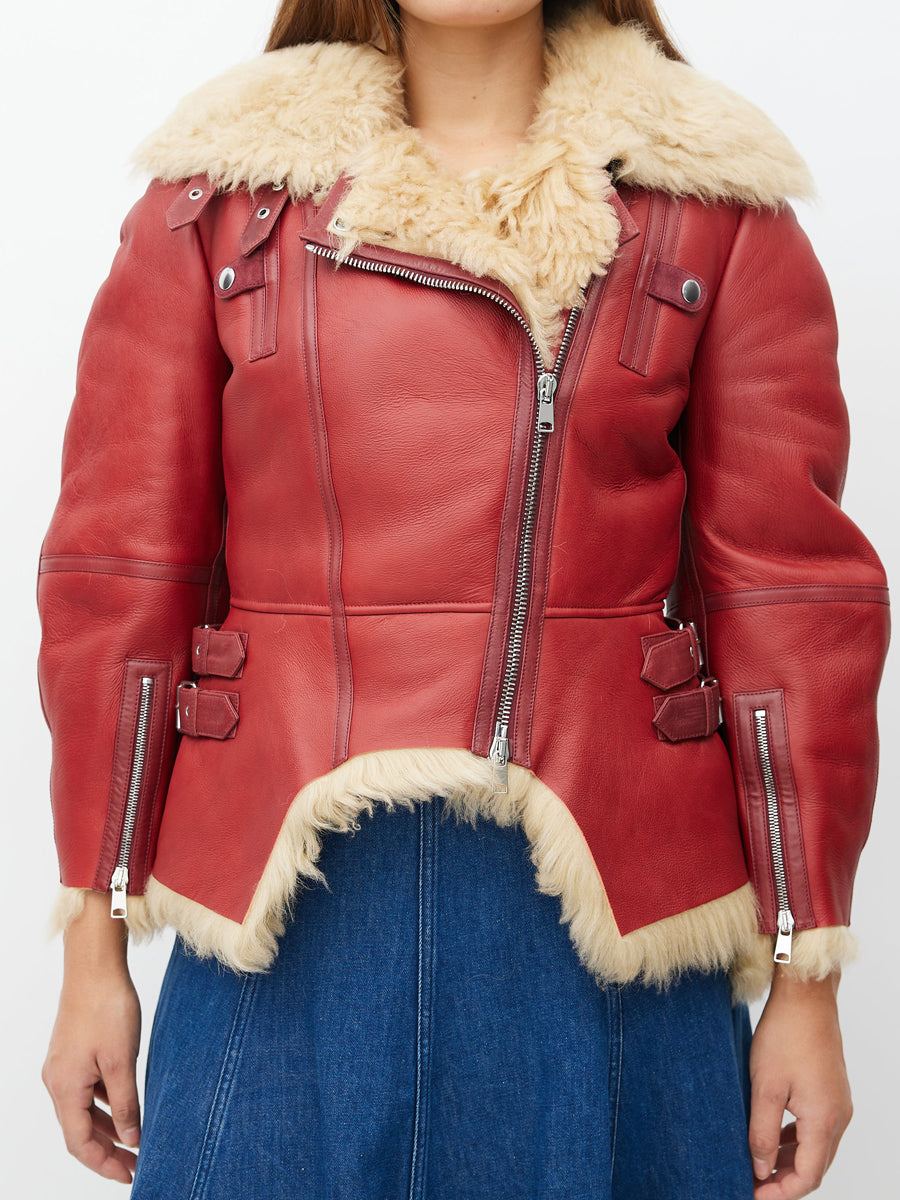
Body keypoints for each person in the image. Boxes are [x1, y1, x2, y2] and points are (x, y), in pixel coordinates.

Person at [37, 1, 890, 1197]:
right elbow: (122, 575)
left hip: (611, 931)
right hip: (283, 921)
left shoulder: (709, 205)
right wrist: (95, 943)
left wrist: (807, 979)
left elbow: (792, 606)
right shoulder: (219, 200)